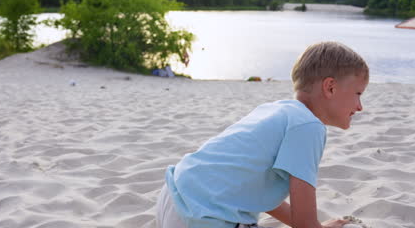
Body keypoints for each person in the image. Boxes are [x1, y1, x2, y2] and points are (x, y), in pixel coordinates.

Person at [156, 41, 369, 228]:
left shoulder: (275, 110)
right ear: (330, 87)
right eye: (358, 93)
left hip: (176, 195)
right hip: (206, 214)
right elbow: (305, 225)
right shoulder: (309, 126)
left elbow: (259, 193)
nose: (359, 106)